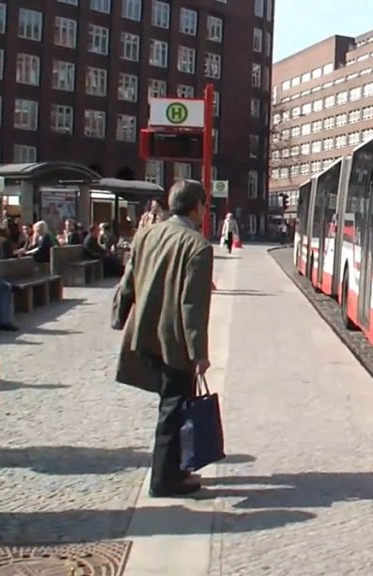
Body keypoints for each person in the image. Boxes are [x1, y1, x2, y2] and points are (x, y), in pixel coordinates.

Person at [114, 179, 214, 498]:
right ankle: (165, 479)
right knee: (173, 407)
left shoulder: (146, 234)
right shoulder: (197, 246)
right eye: (205, 206)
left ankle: (172, 470)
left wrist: (120, 315)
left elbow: (128, 279)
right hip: (173, 340)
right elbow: (191, 305)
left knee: (168, 403)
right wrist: (199, 353)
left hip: (144, 332)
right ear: (197, 206)